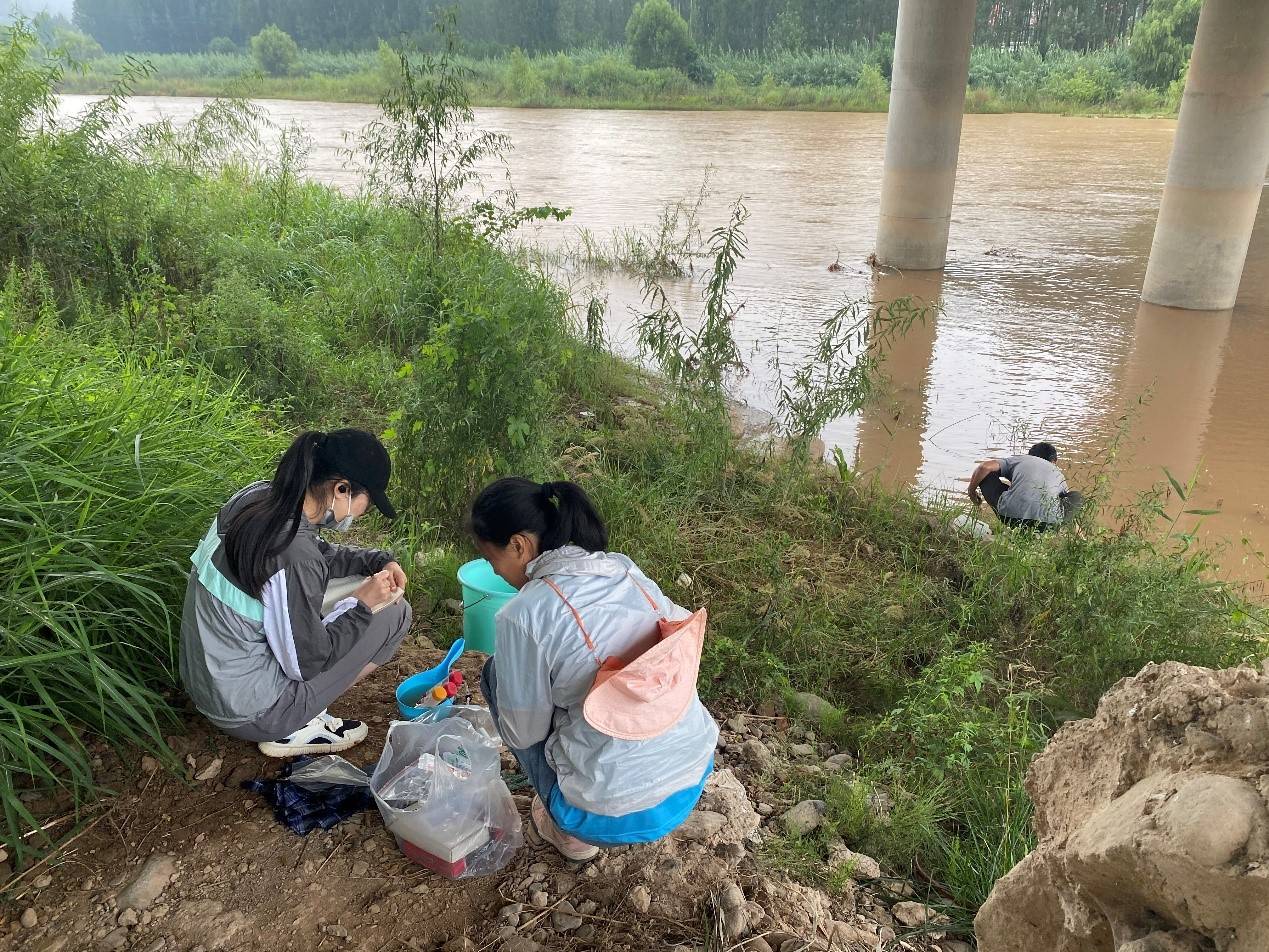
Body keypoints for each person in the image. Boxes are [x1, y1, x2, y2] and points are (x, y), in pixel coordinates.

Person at [469, 478, 718, 861]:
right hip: (690, 776)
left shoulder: (522, 614)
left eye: (491, 559)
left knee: (497, 674)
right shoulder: (623, 569)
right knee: (582, 680)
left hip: (604, 818)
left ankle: (567, 833)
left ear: (518, 545)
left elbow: (525, 732)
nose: (496, 571)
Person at [180, 429, 411, 757]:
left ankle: (297, 708)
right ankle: (296, 722)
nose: (361, 514)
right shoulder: (294, 553)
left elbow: (319, 555)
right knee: (394, 611)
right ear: (341, 489)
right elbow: (306, 665)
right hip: (252, 711)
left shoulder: (261, 498)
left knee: (358, 588)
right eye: (367, 504)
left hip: (208, 684)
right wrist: (361, 605)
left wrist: (378, 559)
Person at [967, 441, 1083, 530]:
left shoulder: (1022, 460)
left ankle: (1019, 530)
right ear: (1054, 461)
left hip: (1010, 517)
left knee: (987, 474)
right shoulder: (1058, 473)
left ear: (1030, 455)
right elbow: (1067, 507)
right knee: (1075, 496)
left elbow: (984, 467)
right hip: (1049, 524)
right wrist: (1080, 536)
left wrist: (972, 493)